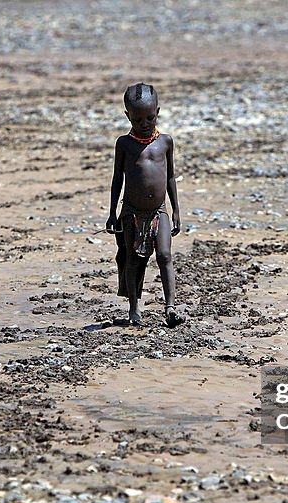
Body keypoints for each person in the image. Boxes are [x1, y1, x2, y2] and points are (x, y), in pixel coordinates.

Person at [106, 82, 185, 328]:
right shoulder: (124, 144)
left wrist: (176, 211)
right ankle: (133, 309)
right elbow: (117, 179)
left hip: (158, 211)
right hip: (131, 212)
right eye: (137, 119)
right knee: (132, 259)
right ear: (127, 116)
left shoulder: (165, 142)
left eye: (150, 117)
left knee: (164, 255)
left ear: (158, 112)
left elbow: (170, 176)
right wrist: (112, 213)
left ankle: (170, 308)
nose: (144, 124)